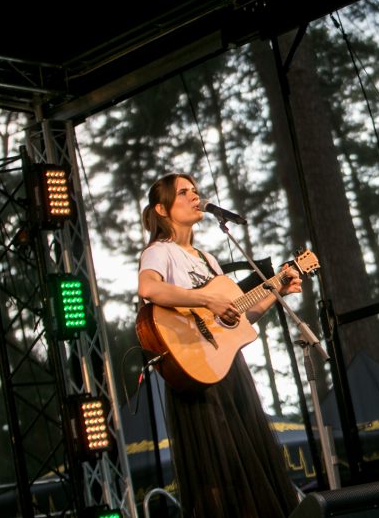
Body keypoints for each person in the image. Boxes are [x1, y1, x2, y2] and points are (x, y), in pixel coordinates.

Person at [138, 173, 301, 517]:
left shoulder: (206, 258)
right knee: (218, 471)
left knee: (249, 463)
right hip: (194, 371)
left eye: (195, 191)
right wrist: (205, 300)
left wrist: (278, 289)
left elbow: (237, 320)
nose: (195, 197)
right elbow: (149, 290)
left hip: (228, 369)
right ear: (162, 208)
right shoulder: (159, 252)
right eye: (184, 193)